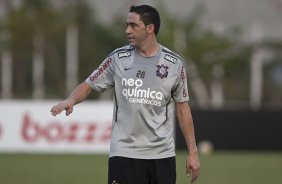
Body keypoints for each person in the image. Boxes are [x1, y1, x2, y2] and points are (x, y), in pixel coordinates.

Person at [51, 4, 200, 184]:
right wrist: (71, 100)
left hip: (161, 156)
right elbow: (89, 84)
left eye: (133, 25)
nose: (127, 30)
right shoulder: (118, 58)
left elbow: (183, 109)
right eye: (127, 25)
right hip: (124, 154)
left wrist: (193, 153)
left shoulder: (174, 64)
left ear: (150, 28)